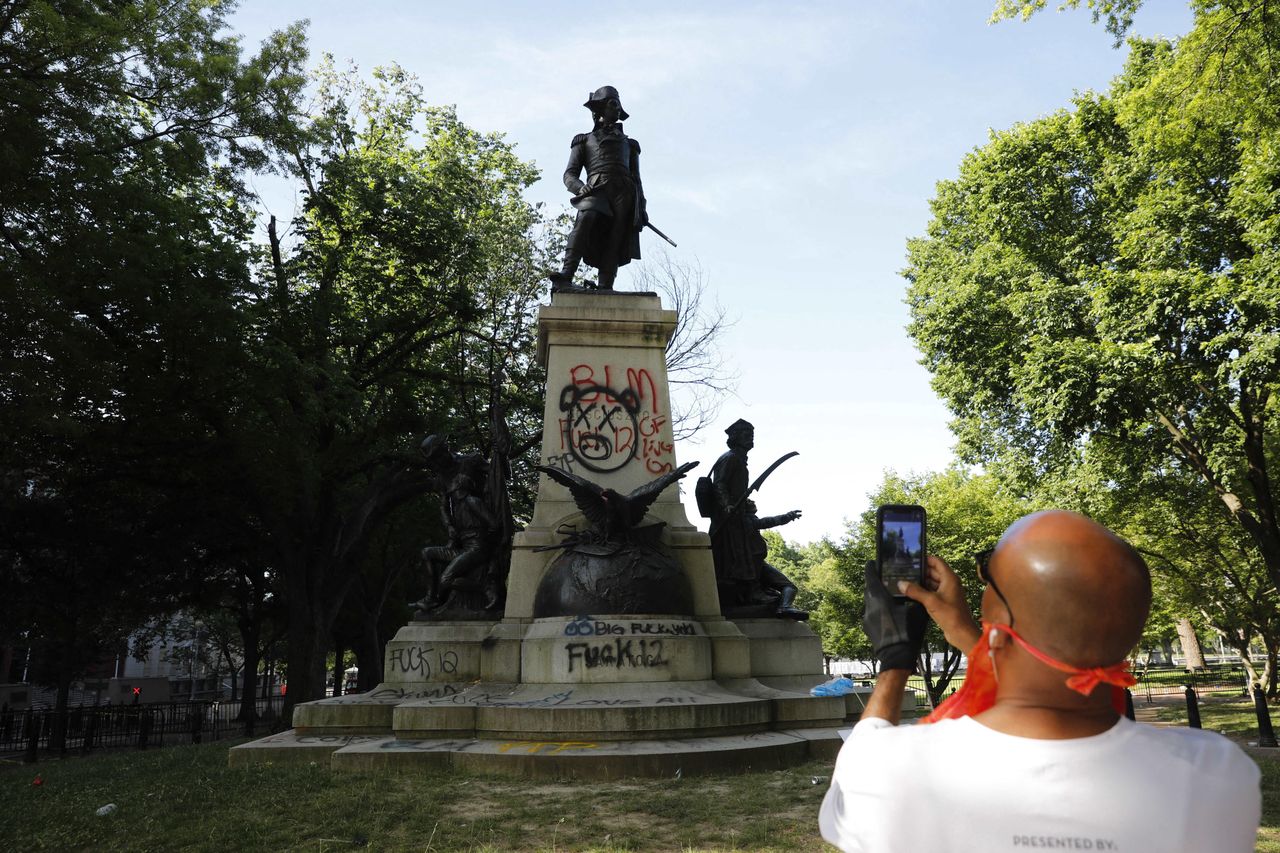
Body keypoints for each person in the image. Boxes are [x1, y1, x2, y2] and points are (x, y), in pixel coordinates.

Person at [819, 510, 1261, 852]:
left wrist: (895, 659)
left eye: (987, 572)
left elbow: (864, 752)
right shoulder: (1218, 773)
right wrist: (975, 635)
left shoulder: (892, 767)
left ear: (1001, 624)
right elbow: (1049, 667)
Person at [548, 85, 647, 290]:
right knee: (587, 217)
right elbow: (569, 174)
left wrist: (642, 208)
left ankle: (605, 284)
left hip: (625, 191)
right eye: (613, 104)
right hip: (596, 188)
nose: (618, 109)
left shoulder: (630, 144)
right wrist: (579, 188)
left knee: (616, 235)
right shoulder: (583, 140)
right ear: (601, 109)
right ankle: (566, 275)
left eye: (619, 105)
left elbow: (637, 178)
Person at [706, 419, 805, 618]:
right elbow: (720, 485)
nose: (750, 437)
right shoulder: (731, 458)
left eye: (751, 433)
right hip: (732, 519)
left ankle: (754, 592)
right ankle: (750, 592)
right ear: (735, 437)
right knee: (738, 557)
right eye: (745, 433)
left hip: (738, 518)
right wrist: (727, 506)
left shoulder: (738, 460)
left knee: (746, 554)